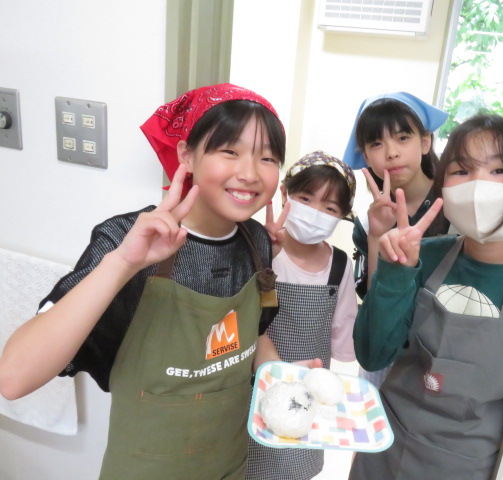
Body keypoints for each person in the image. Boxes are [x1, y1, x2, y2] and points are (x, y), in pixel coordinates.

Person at [0, 83, 318, 480]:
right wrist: (123, 263)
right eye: (229, 151)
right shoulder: (128, 239)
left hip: (229, 465)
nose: (250, 173)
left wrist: (279, 380)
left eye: (267, 158)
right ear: (186, 154)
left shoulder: (256, 241)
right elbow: (13, 379)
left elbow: (252, 335)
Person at [349, 114, 503, 479]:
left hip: (462, 465)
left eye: (498, 171)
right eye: (461, 171)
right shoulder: (422, 257)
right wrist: (394, 271)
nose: (477, 185)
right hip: (385, 445)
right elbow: (372, 354)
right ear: (443, 186)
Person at [246, 151, 359, 480]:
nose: (315, 213)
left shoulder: (340, 265)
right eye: (306, 199)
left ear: (342, 215)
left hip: (308, 397)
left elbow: (344, 334)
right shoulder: (256, 250)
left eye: (330, 208)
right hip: (251, 389)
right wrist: (264, 259)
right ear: (284, 193)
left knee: (293, 465)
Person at [342, 91, 451, 387]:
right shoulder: (367, 223)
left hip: (443, 357)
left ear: (425, 142)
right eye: (377, 143)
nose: (391, 153)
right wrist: (377, 235)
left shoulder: (455, 208)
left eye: (403, 138)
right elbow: (376, 305)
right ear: (366, 156)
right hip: (385, 359)